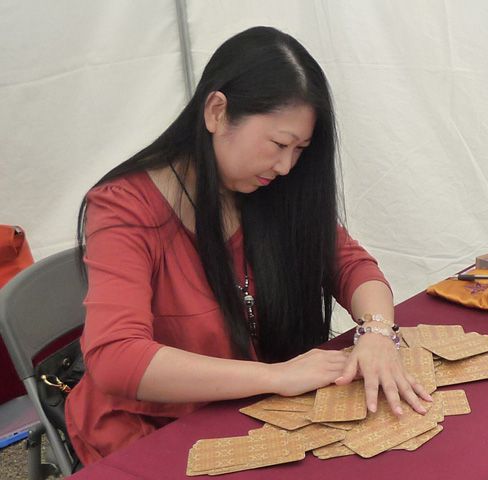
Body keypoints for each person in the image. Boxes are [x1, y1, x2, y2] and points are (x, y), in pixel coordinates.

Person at [66, 26, 432, 465]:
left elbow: (351, 265)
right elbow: (116, 357)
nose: (286, 166)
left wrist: (376, 332)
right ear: (217, 112)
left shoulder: (273, 189)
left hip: (250, 413)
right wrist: (274, 376)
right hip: (151, 432)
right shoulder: (124, 208)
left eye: (300, 149)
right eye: (278, 144)